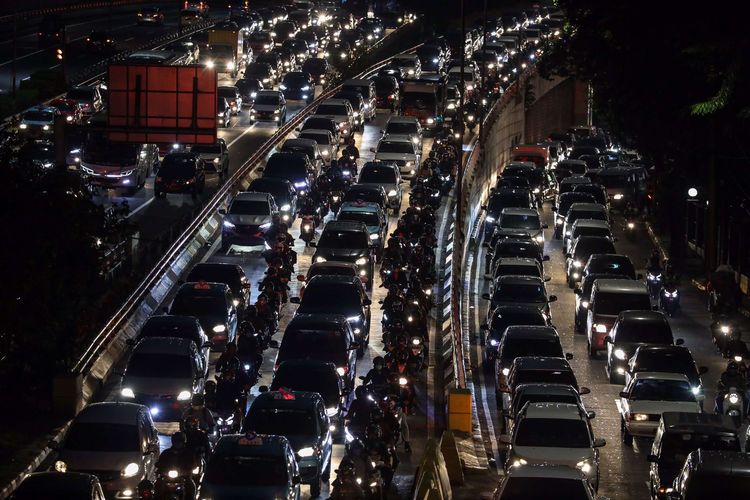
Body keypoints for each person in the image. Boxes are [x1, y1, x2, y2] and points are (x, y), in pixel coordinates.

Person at [155, 432, 198, 499]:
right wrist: (160, 467)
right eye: (176, 441)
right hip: (167, 477)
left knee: (190, 486)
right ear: (173, 441)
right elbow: (160, 462)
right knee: (158, 484)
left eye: (179, 441)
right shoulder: (166, 453)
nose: (177, 443)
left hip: (184, 477)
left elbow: (194, 464)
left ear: (183, 442)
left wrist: (189, 469)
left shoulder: (188, 454)